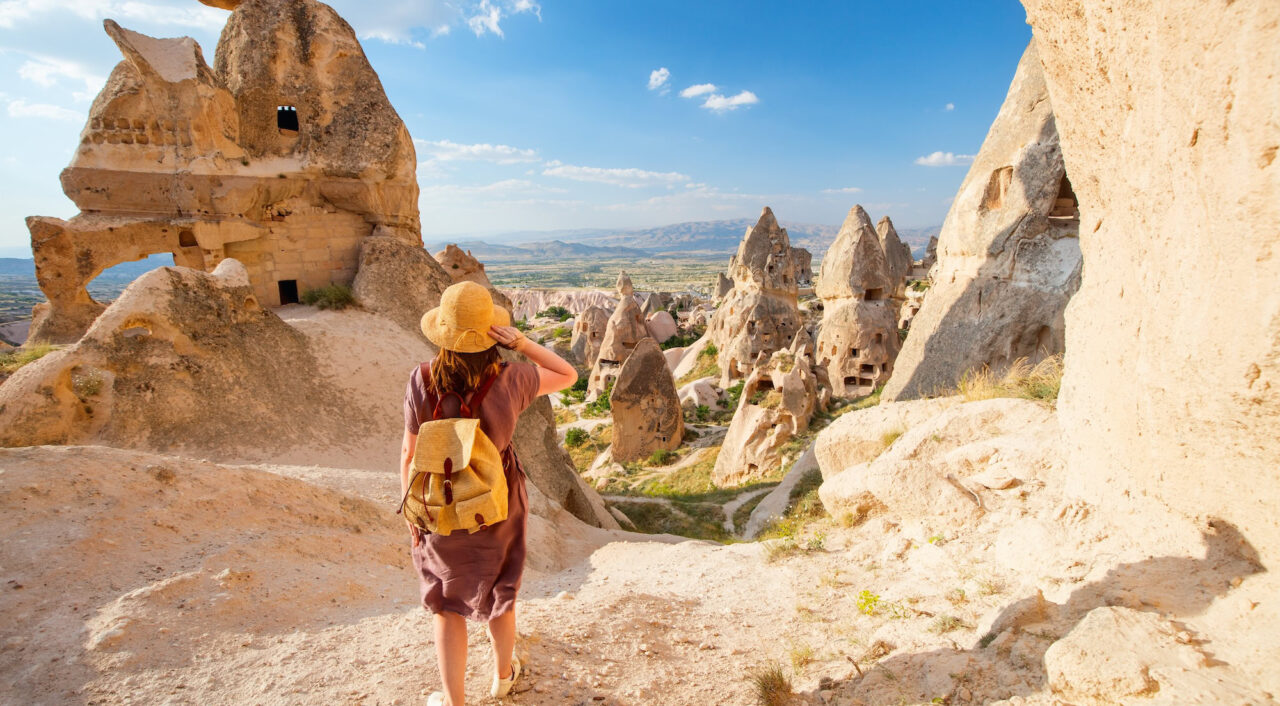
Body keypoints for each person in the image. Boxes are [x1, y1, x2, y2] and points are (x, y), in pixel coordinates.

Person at [401, 281, 578, 706]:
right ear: (491, 334)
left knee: (446, 602)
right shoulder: (513, 377)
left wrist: (413, 512)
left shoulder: (422, 378)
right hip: (496, 503)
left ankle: (454, 701)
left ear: (443, 332)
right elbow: (569, 375)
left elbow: (409, 451)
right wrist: (522, 343)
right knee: (501, 594)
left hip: (440, 503)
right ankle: (502, 679)